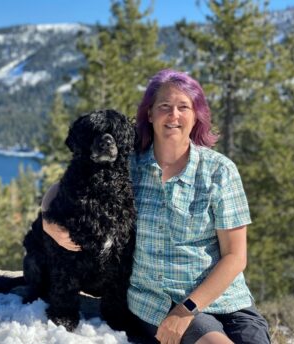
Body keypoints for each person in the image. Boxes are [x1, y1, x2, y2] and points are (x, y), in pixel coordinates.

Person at [41, 69, 270, 344]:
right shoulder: (128, 165)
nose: (174, 115)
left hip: (228, 303)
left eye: (183, 107)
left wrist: (189, 308)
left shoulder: (220, 171)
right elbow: (64, 185)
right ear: (149, 114)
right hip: (163, 303)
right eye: (165, 107)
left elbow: (235, 256)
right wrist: (48, 221)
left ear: (196, 114)